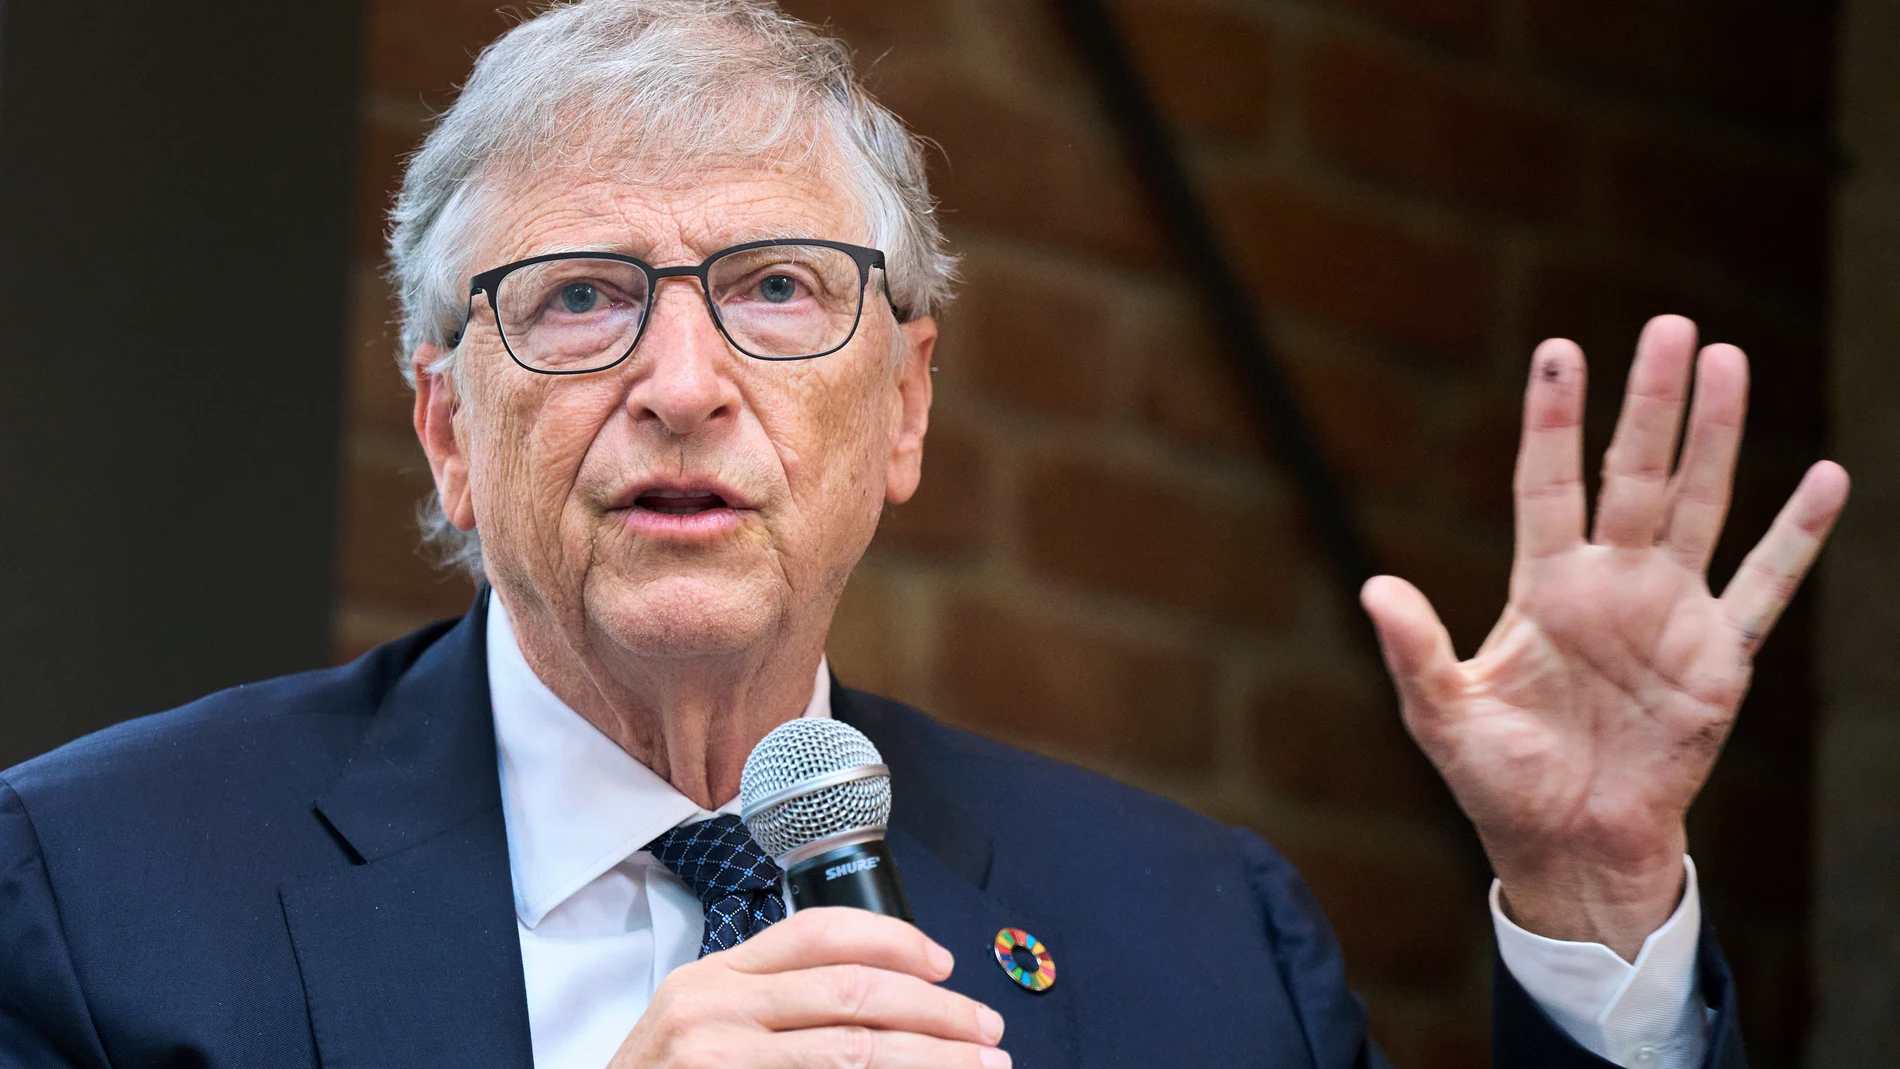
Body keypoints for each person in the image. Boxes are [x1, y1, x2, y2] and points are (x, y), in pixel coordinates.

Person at [0, 2, 1848, 1066]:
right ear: (444, 428)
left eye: (780, 290)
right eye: (576, 301)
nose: (682, 382)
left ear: (903, 410)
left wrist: (1598, 900)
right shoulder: (103, 894)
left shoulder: (1196, 943)